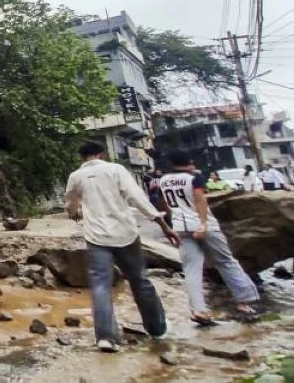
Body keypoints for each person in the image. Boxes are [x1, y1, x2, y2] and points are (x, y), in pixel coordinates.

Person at [65, 142, 180, 353]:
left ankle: (106, 338)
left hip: (96, 237)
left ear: (82, 157)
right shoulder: (116, 170)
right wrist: (163, 224)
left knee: (100, 286)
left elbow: (71, 203)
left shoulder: (76, 177)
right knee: (140, 280)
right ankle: (157, 328)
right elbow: (136, 198)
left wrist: (73, 212)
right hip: (125, 234)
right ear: (102, 153)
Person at [159, 151, 260, 323]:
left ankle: (198, 310)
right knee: (226, 261)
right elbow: (200, 200)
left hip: (180, 227)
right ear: (189, 163)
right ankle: (244, 302)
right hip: (202, 224)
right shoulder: (194, 178)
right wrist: (204, 224)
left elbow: (165, 205)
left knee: (191, 269)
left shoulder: (163, 181)